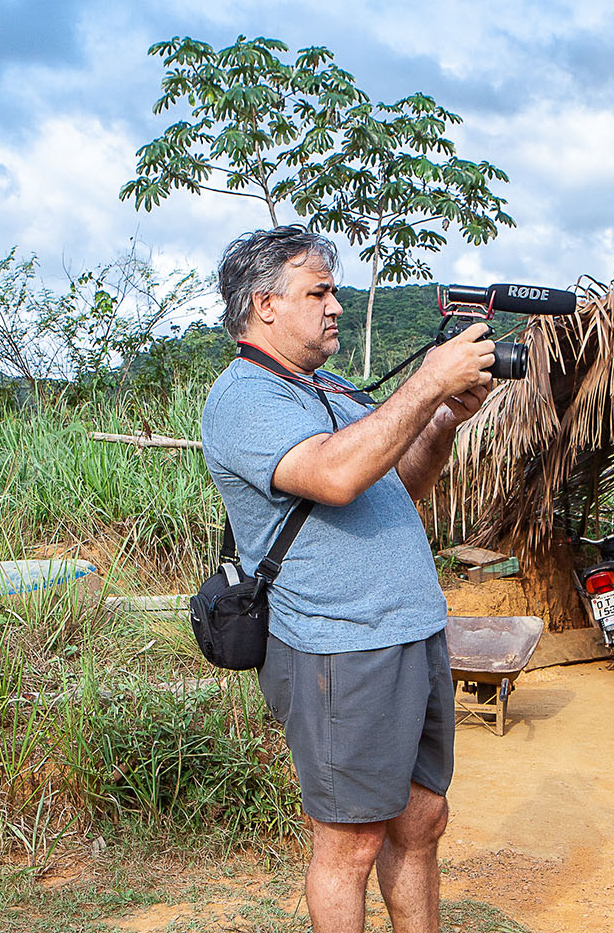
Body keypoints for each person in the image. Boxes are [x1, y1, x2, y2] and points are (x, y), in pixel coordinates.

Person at [200, 226, 496, 933]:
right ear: (265, 305)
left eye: (334, 291)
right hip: (339, 646)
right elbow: (334, 475)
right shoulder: (243, 398)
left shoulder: (328, 387)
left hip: (410, 631)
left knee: (422, 819)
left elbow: (402, 484)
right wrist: (427, 379)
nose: (336, 306)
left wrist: (445, 418)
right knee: (351, 842)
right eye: (320, 291)